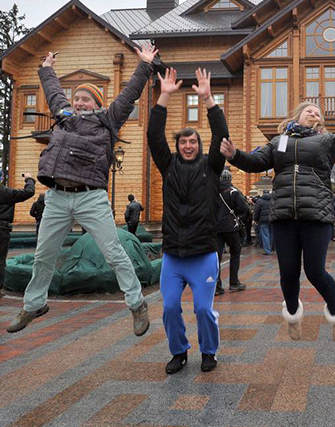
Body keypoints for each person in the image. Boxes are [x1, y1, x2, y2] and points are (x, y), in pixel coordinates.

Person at [7, 48, 156, 335]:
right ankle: (34, 304)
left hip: (90, 197)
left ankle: (137, 304)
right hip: (58, 196)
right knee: (43, 254)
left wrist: (145, 65)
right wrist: (47, 67)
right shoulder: (63, 116)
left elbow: (130, 95)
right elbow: (53, 92)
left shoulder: (108, 120)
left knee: (113, 252)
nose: (78, 102)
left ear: (96, 103)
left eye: (85, 98)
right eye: (76, 98)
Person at [220, 97, 335, 342]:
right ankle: (292, 315)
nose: (314, 113)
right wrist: (234, 155)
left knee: (314, 271)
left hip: (316, 214)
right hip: (284, 216)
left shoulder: (328, 141)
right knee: (288, 273)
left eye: (317, 112)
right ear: (298, 116)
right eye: (309, 111)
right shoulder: (278, 142)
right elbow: (256, 162)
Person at [147, 67, 227, 374]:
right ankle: (178, 351)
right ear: (178, 146)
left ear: (199, 145)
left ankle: (209, 351)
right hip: (173, 256)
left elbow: (222, 135)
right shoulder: (167, 167)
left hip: (203, 253)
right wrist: (164, 95)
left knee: (203, 309)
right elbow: (154, 136)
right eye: (183, 142)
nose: (188, 145)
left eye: (193, 141)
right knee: (168, 307)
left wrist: (208, 99)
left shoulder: (211, 167)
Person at [0, 174, 35, 295]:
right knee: (0, 259)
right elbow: (29, 192)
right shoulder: (7, 193)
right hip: (2, 229)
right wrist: (29, 179)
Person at [215, 169, 248, 295]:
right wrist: (238, 218)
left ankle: (217, 286)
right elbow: (244, 208)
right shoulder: (233, 191)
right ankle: (234, 283)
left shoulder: (213, 193)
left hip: (216, 229)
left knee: (216, 258)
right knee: (235, 254)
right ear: (230, 179)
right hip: (231, 227)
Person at [254, 190, 273, 254]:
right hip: (272, 219)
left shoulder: (260, 201)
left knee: (265, 235)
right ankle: (271, 247)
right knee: (271, 234)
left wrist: (255, 219)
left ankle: (267, 250)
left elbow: (256, 212)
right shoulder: (273, 200)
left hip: (263, 220)